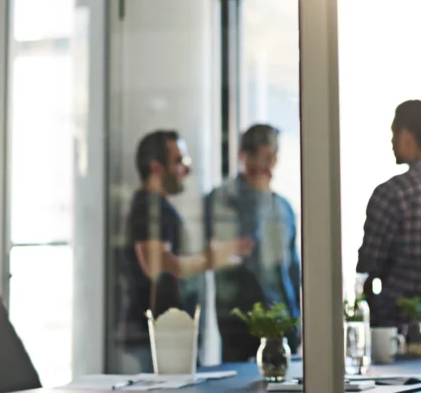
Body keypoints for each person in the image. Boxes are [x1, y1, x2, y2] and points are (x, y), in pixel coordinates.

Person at [121, 130, 251, 371]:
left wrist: (218, 254)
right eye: (179, 161)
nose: (187, 170)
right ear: (156, 167)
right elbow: (159, 266)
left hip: (168, 335)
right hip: (155, 338)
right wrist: (212, 259)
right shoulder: (147, 209)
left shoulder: (159, 207)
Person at [357, 100, 421, 339]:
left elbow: (367, 269)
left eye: (394, 133)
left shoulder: (393, 192)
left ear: (405, 135)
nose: (392, 142)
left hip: (397, 329)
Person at [206, 124, 302, 362]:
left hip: (282, 318)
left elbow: (292, 269)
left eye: (271, 157)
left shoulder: (283, 208)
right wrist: (259, 198)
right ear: (243, 156)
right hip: (237, 321)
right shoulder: (221, 200)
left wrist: (298, 319)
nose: (266, 165)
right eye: (260, 156)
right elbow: (240, 251)